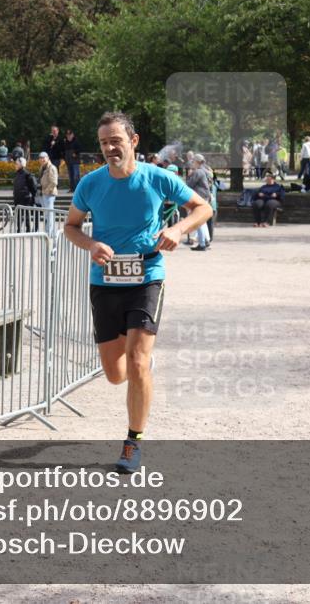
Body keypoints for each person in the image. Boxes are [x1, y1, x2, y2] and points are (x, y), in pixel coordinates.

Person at [63, 111, 212, 474]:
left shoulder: (159, 178)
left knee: (137, 362)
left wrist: (178, 230)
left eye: (116, 140)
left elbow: (203, 208)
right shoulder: (91, 184)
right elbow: (71, 226)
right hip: (105, 281)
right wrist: (91, 244)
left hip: (147, 276)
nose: (110, 148)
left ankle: (133, 441)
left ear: (134, 141)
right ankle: (140, 368)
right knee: (116, 373)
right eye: (103, 142)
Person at [185, 156, 213, 249]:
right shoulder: (205, 170)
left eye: (193, 161)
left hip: (199, 196)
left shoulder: (198, 171)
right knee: (202, 220)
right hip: (205, 196)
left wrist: (189, 176)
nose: (192, 163)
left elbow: (189, 184)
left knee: (199, 220)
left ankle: (202, 244)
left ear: (197, 162)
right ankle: (206, 240)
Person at [13, 157, 38, 231]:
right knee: (18, 215)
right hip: (18, 198)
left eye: (17, 164)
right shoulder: (17, 174)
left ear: (21, 165)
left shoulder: (28, 175)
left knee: (26, 215)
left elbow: (33, 187)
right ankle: (19, 229)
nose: (15, 165)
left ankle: (28, 229)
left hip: (25, 198)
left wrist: (31, 196)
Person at [38, 151, 58, 238]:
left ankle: (49, 233)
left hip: (49, 194)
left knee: (49, 214)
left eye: (43, 158)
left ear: (48, 158)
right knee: (47, 214)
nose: (42, 160)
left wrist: (46, 191)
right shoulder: (42, 167)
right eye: (40, 158)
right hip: (44, 193)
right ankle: (49, 231)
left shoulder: (51, 168)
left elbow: (54, 182)